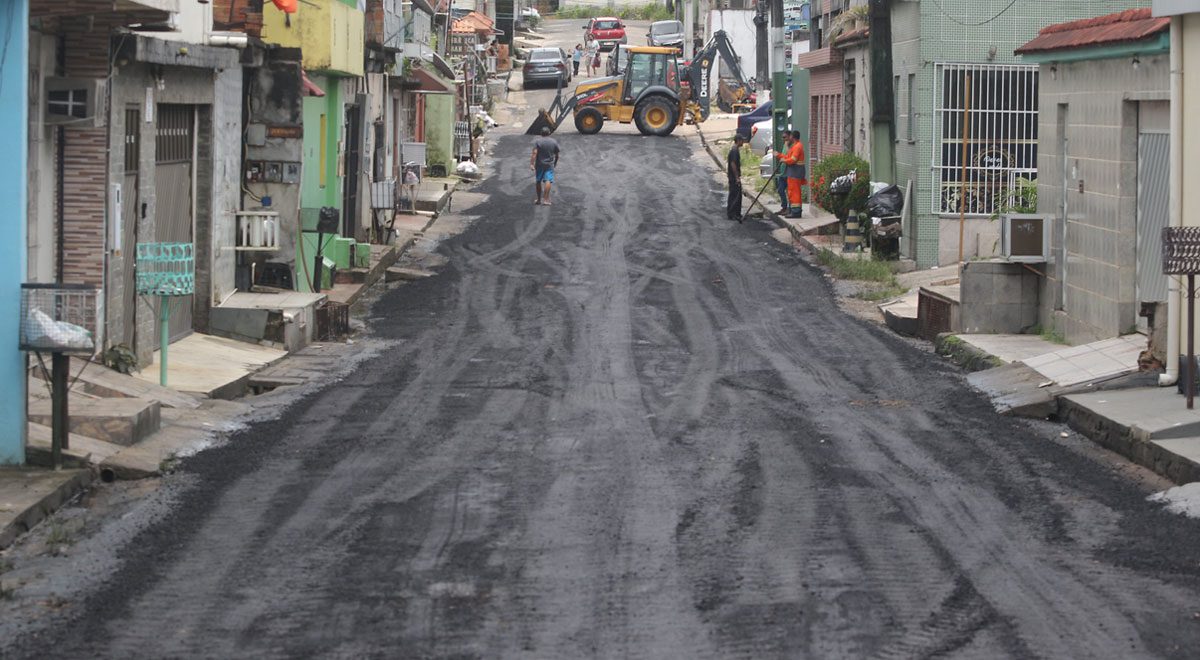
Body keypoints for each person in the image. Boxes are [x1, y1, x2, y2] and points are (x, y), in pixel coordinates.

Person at [776, 130, 806, 218]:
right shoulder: (795, 146)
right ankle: (794, 211)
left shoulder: (797, 147)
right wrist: (779, 156)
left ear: (793, 137)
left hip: (795, 173)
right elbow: (788, 157)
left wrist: (784, 160)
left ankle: (796, 212)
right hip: (793, 173)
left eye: (791, 136)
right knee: (792, 192)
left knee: (795, 192)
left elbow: (793, 160)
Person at [530, 126, 560, 205]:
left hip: (539, 164)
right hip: (549, 165)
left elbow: (534, 153)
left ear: (541, 133)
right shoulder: (553, 142)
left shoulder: (538, 142)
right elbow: (557, 154)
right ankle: (546, 199)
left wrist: (532, 164)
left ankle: (539, 200)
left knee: (538, 181)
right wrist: (555, 162)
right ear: (549, 133)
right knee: (548, 180)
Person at [727, 134, 746, 221]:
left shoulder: (734, 149)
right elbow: (733, 164)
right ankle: (734, 213)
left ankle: (732, 213)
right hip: (734, 177)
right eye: (742, 140)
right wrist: (737, 177)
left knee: (734, 195)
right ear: (738, 140)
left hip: (732, 177)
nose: (743, 142)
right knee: (736, 196)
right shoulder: (734, 151)